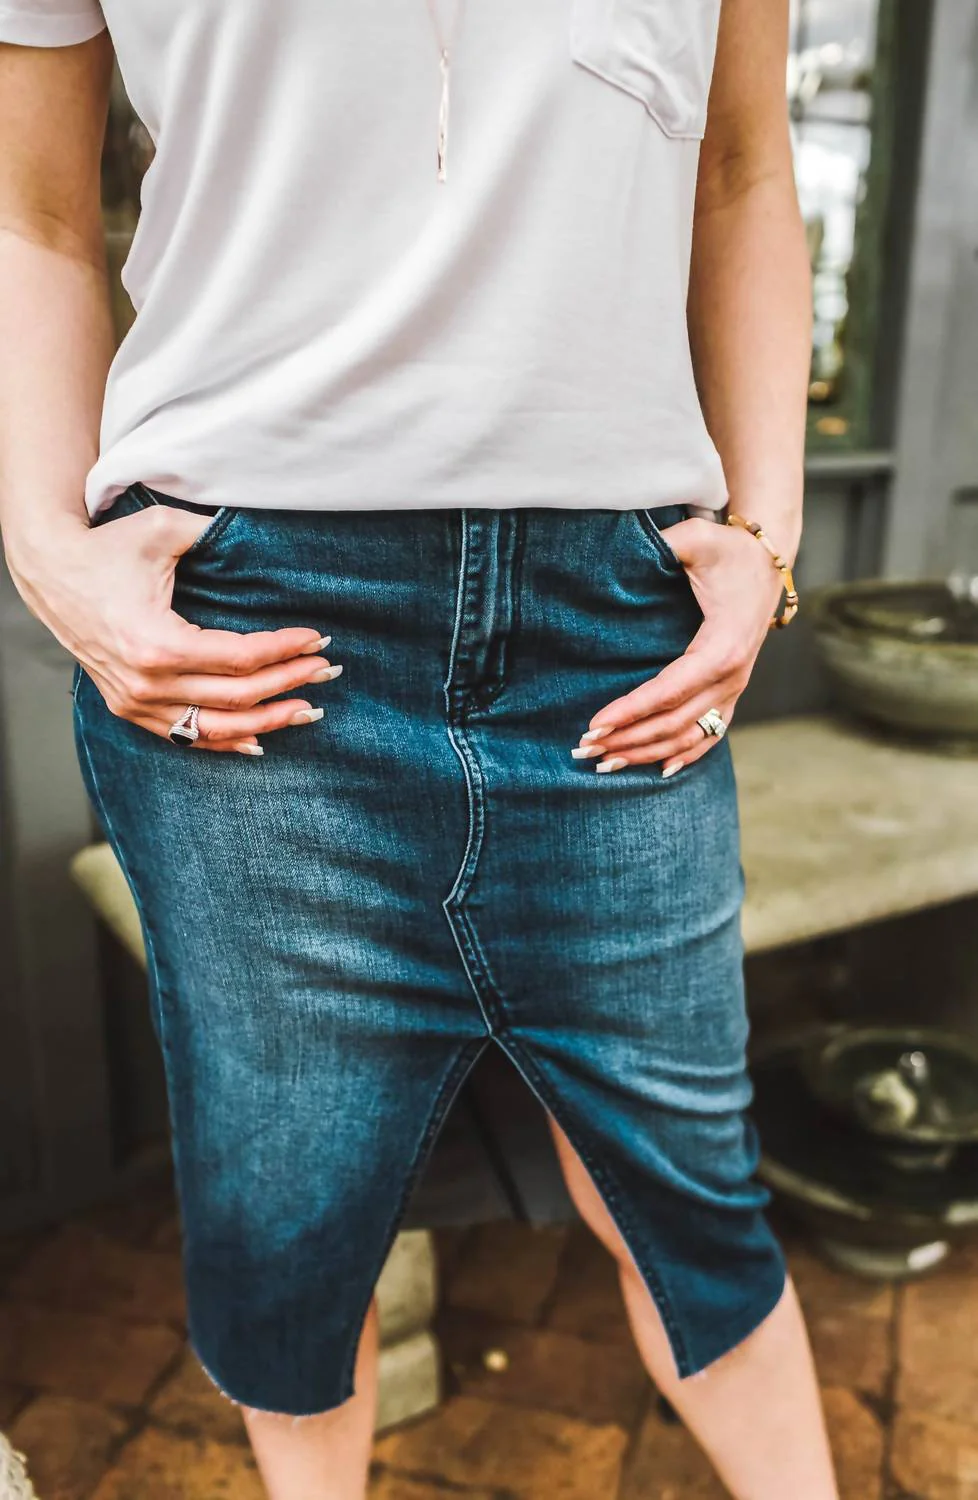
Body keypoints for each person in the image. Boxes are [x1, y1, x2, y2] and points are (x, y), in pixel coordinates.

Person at [0, 1, 835, 1496]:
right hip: (251, 631)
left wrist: (766, 536)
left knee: (690, 1201)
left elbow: (740, 165)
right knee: (290, 1231)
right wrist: (44, 549)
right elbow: (35, 212)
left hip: (616, 623)